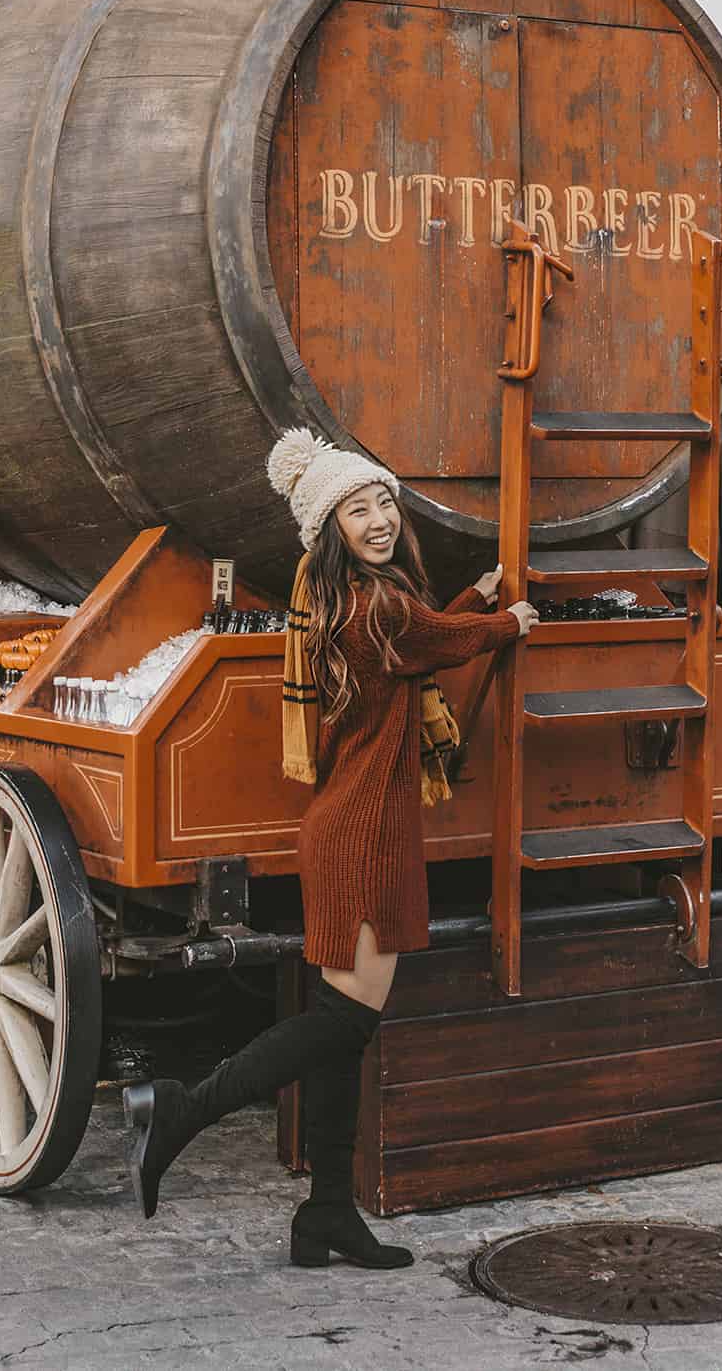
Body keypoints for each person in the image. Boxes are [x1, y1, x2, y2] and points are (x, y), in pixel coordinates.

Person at [124, 428, 536, 1268]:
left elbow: (416, 642)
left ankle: (325, 1215)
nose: (381, 517)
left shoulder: (355, 600)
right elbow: (436, 641)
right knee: (344, 1021)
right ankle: (179, 1109)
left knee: (344, 1029)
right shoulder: (379, 605)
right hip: (364, 832)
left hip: (350, 823)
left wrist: (470, 603)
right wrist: (507, 622)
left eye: (384, 500)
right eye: (359, 508)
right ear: (332, 527)